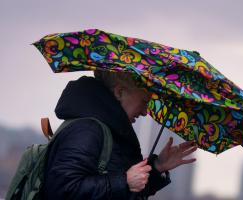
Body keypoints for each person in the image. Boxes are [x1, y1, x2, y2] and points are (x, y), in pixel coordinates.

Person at [43, 70, 197, 200]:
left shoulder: (110, 131)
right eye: (144, 102)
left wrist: (157, 167)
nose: (145, 112)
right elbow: (62, 190)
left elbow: (122, 193)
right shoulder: (88, 130)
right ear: (119, 92)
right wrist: (124, 181)